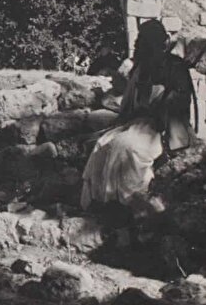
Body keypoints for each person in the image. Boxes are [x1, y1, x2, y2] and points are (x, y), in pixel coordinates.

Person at [81, 19, 198, 212]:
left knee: (128, 147)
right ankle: (105, 202)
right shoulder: (140, 69)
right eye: (141, 40)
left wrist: (157, 107)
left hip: (163, 127)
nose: (140, 45)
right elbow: (130, 102)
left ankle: (135, 204)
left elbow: (178, 103)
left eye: (146, 41)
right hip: (138, 123)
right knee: (102, 145)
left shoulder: (174, 67)